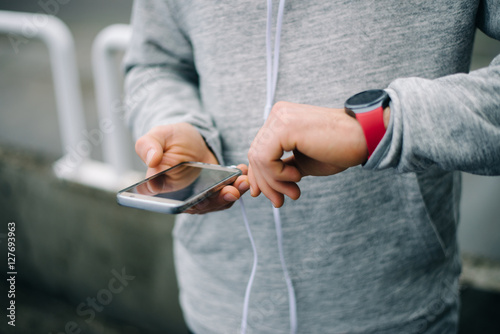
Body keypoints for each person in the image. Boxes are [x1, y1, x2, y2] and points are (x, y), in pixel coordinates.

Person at [124, 1, 500, 333]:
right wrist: (179, 122)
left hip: (396, 311)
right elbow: (156, 64)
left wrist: (377, 126)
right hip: (219, 303)